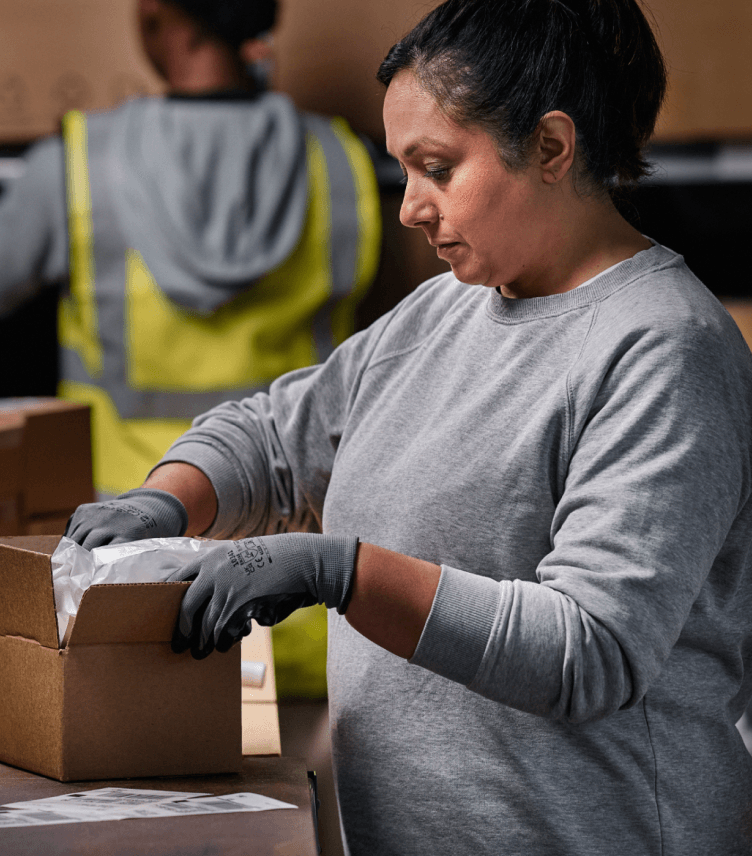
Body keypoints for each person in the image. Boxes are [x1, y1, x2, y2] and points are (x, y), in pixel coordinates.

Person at [64, 1, 752, 854]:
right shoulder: (443, 312)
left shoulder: (663, 347)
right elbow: (276, 439)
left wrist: (343, 572)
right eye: (404, 170)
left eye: (437, 168)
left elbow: (589, 650)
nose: (411, 208)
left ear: (550, 147)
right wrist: (167, 499)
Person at [0, 0, 381, 500]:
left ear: (153, 13)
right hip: (294, 510)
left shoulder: (75, 164)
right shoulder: (340, 161)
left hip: (124, 513)